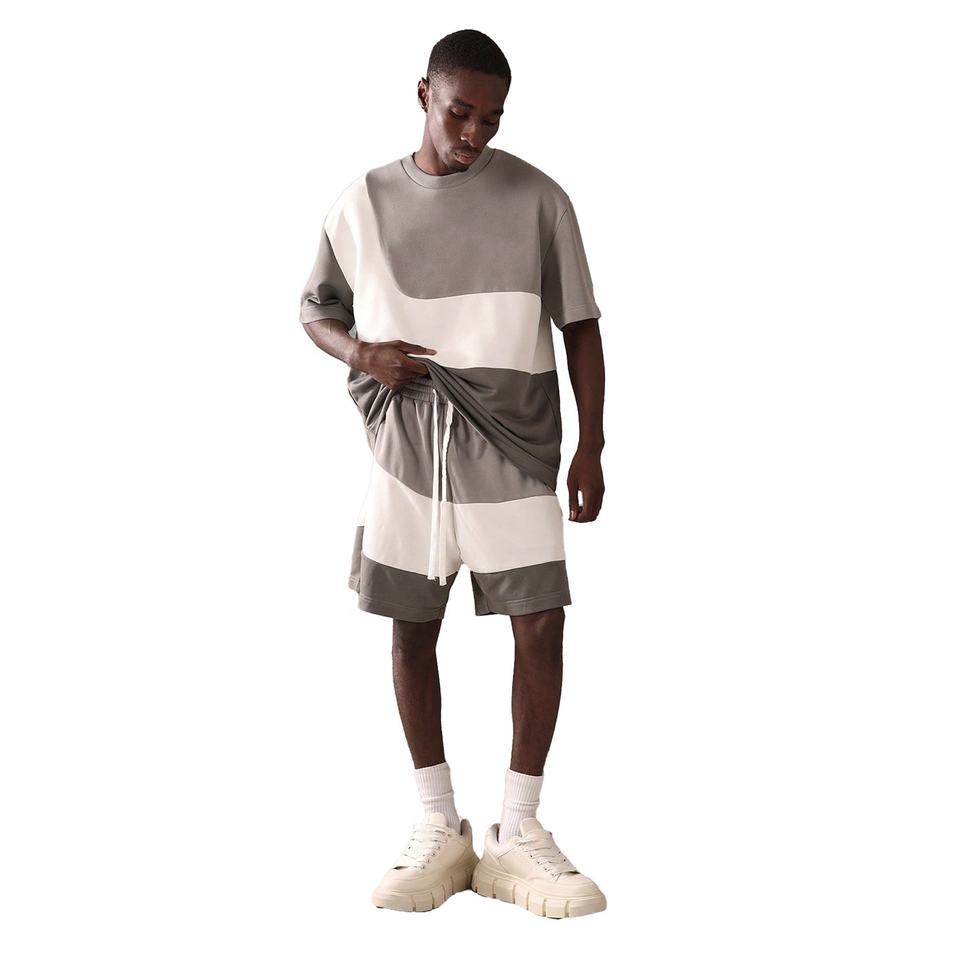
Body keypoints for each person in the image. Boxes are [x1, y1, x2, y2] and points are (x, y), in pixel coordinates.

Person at [299, 29, 607, 920]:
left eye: (492, 117)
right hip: (411, 446)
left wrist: (592, 446)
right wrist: (361, 352)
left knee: (539, 624)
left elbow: (581, 327)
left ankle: (519, 830)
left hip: (515, 442)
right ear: (424, 95)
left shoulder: (541, 200)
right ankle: (438, 823)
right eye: (460, 112)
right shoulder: (362, 203)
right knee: (411, 625)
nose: (475, 132)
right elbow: (314, 309)